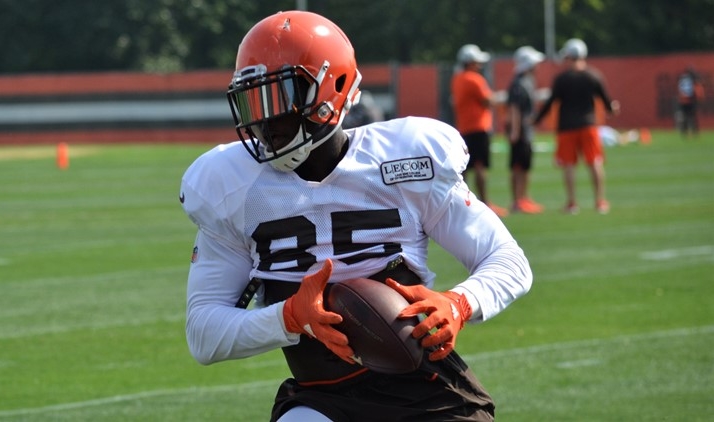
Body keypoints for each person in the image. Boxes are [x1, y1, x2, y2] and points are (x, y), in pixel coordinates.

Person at [179, 10, 532, 422]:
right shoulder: (231, 187)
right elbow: (204, 334)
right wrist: (289, 317)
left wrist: (459, 303)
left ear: (332, 88)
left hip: (425, 388)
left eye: (279, 97)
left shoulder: (403, 160)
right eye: (253, 102)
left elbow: (508, 260)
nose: (264, 120)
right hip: (321, 397)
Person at [533, 38, 619, 215]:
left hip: (566, 127)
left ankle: (572, 203)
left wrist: (537, 119)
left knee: (569, 165)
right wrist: (612, 109)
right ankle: (600, 201)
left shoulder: (562, 79)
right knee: (594, 162)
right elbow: (606, 101)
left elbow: (551, 102)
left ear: (569, 56)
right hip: (588, 125)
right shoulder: (593, 75)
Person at [450, 44, 508, 217]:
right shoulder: (474, 79)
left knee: (464, 168)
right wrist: (501, 98)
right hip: (479, 127)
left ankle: (462, 202)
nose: (479, 65)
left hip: (464, 127)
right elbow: (487, 100)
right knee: (480, 165)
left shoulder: (457, 79)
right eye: (476, 62)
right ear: (469, 62)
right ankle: (485, 202)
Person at [506, 46, 546, 214]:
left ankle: (524, 198)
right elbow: (514, 108)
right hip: (521, 131)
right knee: (518, 166)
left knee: (526, 165)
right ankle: (517, 200)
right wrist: (515, 131)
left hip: (527, 131)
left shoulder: (528, 81)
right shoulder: (518, 83)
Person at [676, 66, 704, 138]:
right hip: (691, 100)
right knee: (692, 116)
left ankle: (685, 131)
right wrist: (699, 97)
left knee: (685, 116)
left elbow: (680, 89)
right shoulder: (693, 79)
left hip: (683, 100)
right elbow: (697, 89)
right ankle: (694, 131)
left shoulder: (682, 78)